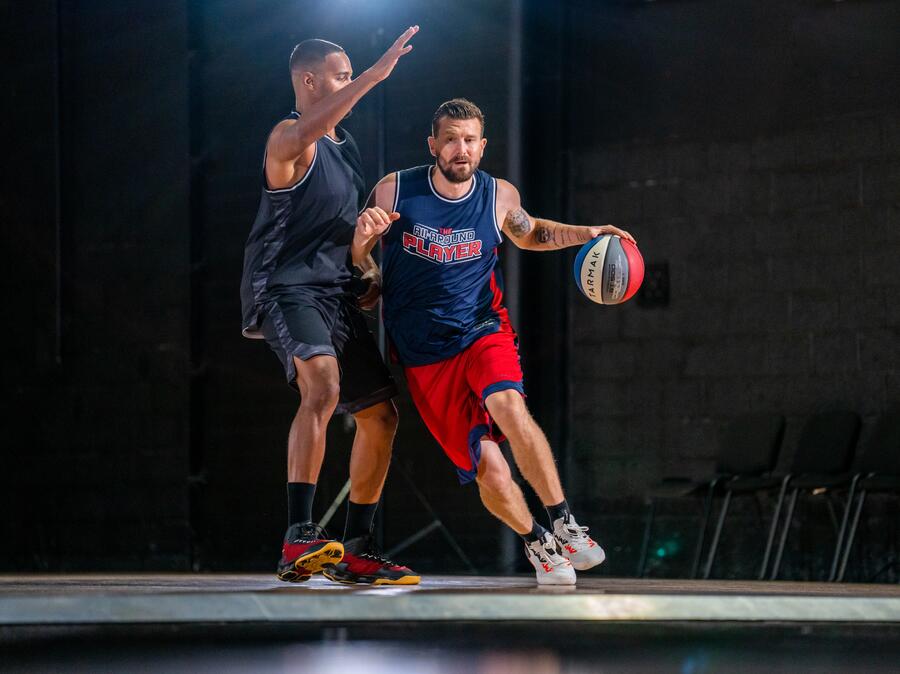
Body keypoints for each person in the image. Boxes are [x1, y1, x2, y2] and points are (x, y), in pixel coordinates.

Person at [355, 98, 636, 584]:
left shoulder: (497, 195)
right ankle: (537, 542)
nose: (459, 148)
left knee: (508, 404)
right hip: (424, 354)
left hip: (483, 328)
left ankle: (564, 520)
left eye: (469, 140)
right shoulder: (393, 191)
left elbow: (532, 233)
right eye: (450, 138)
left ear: (482, 146)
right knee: (489, 468)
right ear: (433, 144)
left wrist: (590, 232)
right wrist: (361, 248)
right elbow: (365, 278)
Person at [239, 29, 421, 585]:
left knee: (382, 416)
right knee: (322, 385)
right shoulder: (289, 140)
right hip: (285, 288)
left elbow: (346, 247)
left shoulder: (346, 151)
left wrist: (364, 261)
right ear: (310, 80)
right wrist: (373, 76)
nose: (351, 82)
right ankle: (299, 537)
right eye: (342, 75)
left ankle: (358, 545)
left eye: (352, 76)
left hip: (334, 293)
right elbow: (303, 131)